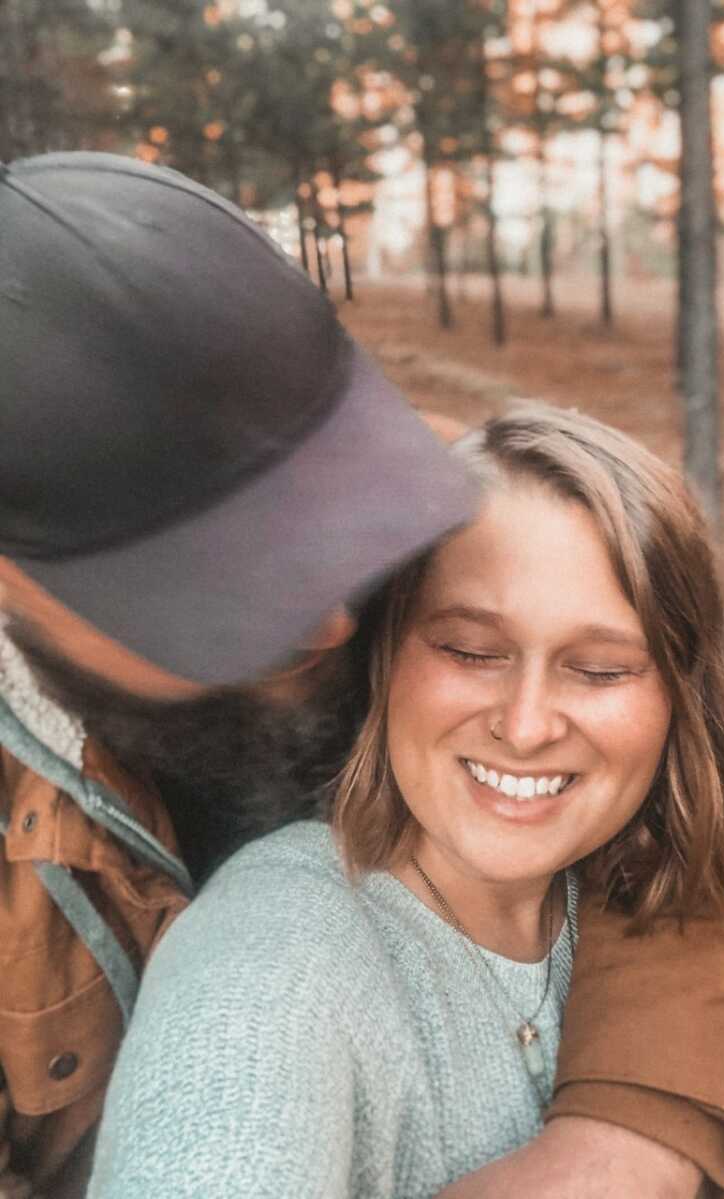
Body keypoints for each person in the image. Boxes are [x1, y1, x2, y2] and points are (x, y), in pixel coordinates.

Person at [87, 405, 724, 1198]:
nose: (525, 723)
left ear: (680, 699)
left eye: (600, 668)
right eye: (472, 651)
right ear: (384, 656)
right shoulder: (266, 969)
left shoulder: (683, 887)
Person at [0, 149, 477, 1198]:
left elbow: (695, 818)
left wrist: (632, 1124)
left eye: (327, 512)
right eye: (217, 577)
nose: (334, 615)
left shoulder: (484, 525)